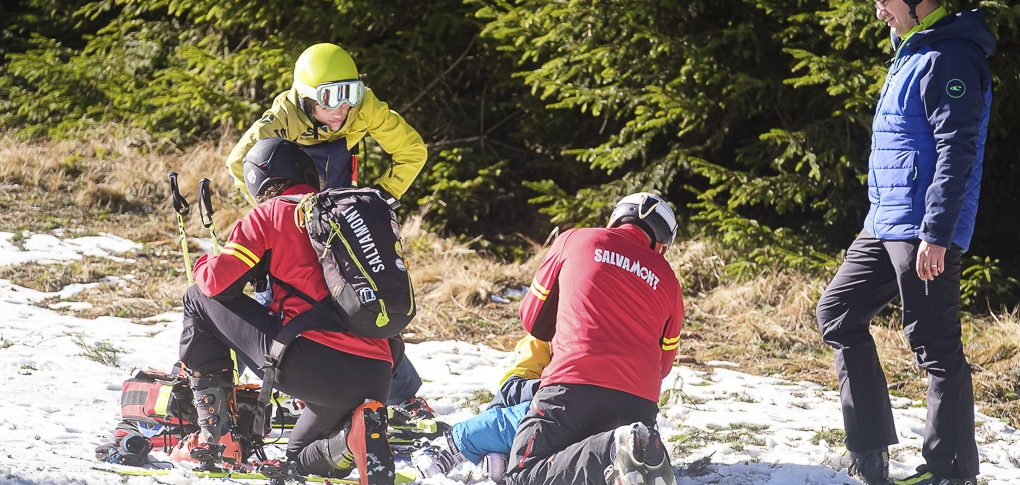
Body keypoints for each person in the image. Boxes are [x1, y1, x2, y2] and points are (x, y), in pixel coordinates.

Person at [815, 0, 995, 485]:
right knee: (838, 313)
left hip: (922, 229)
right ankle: (869, 456)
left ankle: (950, 473)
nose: (879, 10)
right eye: (875, 0)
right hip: (886, 222)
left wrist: (936, 233)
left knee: (936, 349)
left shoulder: (949, 56)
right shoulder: (913, 51)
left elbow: (954, 150)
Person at [224, 42, 431, 418]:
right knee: (275, 295)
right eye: (328, 99)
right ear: (304, 99)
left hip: (339, 220)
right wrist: (275, 215)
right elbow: (240, 162)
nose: (341, 109)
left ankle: (405, 396)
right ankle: (229, 381)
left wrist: (381, 197)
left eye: (349, 95)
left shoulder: (364, 108)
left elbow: (412, 151)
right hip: (292, 216)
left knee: (363, 297)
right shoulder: (284, 115)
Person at [178, 137, 394, 485]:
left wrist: (207, 260)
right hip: (377, 374)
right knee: (296, 460)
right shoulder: (350, 219)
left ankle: (218, 440)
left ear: (260, 184)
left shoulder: (272, 212)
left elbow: (216, 284)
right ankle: (353, 437)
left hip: (312, 366)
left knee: (195, 297)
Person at [506, 192, 684, 485]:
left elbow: (532, 319)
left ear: (615, 218)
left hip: (571, 387)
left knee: (523, 474)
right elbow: (664, 365)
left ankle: (614, 448)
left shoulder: (575, 239)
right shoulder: (669, 280)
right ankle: (629, 446)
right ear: (663, 244)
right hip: (638, 405)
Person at [412, 334, 551, 483]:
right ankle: (457, 445)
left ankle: (503, 455)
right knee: (534, 405)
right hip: (534, 381)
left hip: (549, 384)